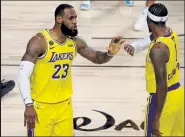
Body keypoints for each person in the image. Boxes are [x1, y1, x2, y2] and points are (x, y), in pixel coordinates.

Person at [17, 4, 124, 136]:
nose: (75, 22)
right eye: (71, 18)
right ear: (59, 19)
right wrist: (28, 105)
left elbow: (97, 58)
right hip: (41, 107)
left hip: (65, 106)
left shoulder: (75, 42)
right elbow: (23, 74)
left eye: (75, 18)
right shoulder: (39, 41)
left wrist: (110, 54)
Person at [123, 3, 184, 136]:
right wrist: (136, 46)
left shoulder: (158, 50)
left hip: (162, 100)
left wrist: (156, 118)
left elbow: (161, 85)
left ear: (149, 22)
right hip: (178, 96)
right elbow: (153, 37)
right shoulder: (170, 32)